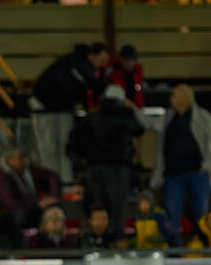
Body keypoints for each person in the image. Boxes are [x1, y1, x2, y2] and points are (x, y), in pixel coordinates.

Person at [67, 84, 144, 236]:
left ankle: (93, 240)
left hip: (94, 168)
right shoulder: (125, 114)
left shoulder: (92, 117)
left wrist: (80, 165)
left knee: (96, 207)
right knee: (117, 208)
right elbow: (139, 129)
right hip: (118, 168)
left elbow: (74, 143)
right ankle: (115, 240)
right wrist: (133, 108)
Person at [150, 84, 211, 246]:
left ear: (186, 97)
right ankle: (175, 250)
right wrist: (134, 109)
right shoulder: (168, 117)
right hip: (173, 175)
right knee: (172, 216)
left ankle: (203, 247)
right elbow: (151, 124)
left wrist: (208, 163)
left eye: (176, 95)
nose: (171, 98)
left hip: (198, 173)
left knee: (201, 216)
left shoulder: (203, 117)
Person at [31, 42, 110, 183]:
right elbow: (89, 84)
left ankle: (63, 181)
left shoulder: (80, 67)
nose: (102, 65)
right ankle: (52, 183)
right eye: (101, 61)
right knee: (49, 146)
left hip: (63, 108)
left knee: (63, 145)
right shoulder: (76, 64)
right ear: (92, 55)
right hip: (45, 107)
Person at [0, 147, 60, 248]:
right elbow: (10, 202)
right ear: (10, 160)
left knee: (54, 209)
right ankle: (19, 249)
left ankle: (54, 244)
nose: (25, 161)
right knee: (18, 215)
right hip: (10, 212)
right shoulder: (2, 175)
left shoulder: (29, 170)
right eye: (20, 158)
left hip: (31, 206)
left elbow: (51, 176)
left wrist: (52, 195)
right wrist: (37, 203)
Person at [106, 44, 145, 108]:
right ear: (120, 60)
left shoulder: (137, 71)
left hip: (135, 109)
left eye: (130, 60)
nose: (128, 63)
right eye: (126, 60)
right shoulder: (114, 71)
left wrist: (139, 108)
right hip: (118, 108)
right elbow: (115, 94)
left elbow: (138, 93)